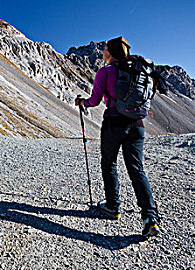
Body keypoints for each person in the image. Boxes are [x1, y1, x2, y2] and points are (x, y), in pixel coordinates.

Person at [74, 36, 160, 238]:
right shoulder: (138, 72)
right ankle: (150, 218)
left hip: (114, 123)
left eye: (105, 49)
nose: (103, 51)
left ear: (110, 52)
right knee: (137, 169)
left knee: (109, 163)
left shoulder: (105, 72)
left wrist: (82, 103)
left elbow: (94, 101)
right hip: (137, 125)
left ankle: (113, 206)